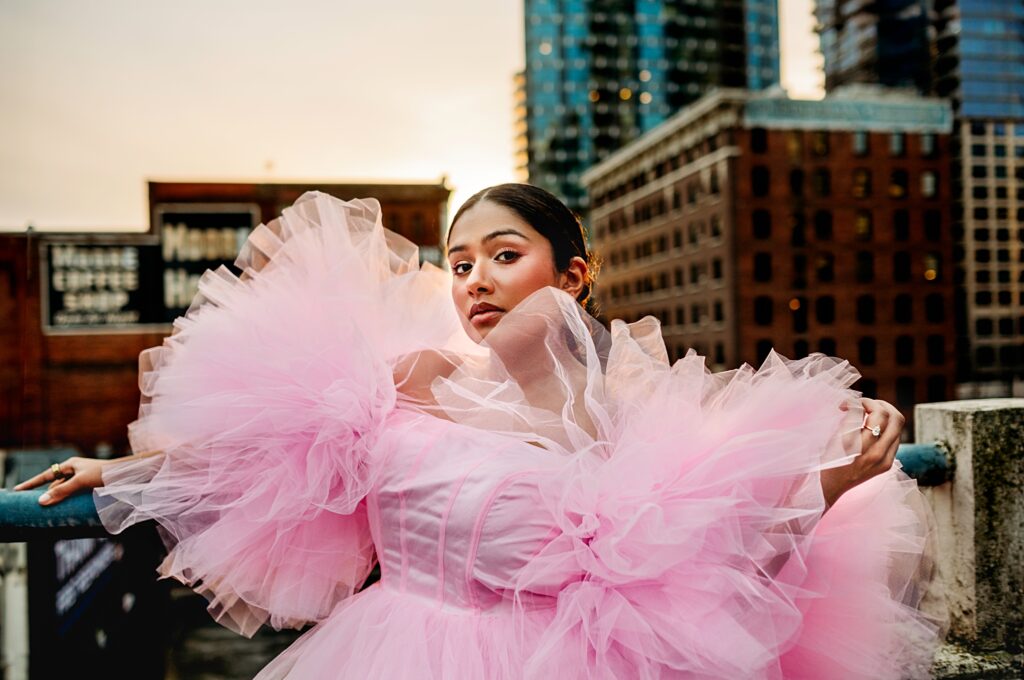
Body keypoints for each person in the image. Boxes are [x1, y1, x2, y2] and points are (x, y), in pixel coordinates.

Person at [16, 185, 942, 678]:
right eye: (460, 263)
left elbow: (704, 550)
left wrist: (836, 479)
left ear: (572, 277)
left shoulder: (625, 421)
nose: (475, 282)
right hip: (385, 649)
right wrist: (118, 469)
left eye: (505, 256)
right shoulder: (416, 376)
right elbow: (274, 453)